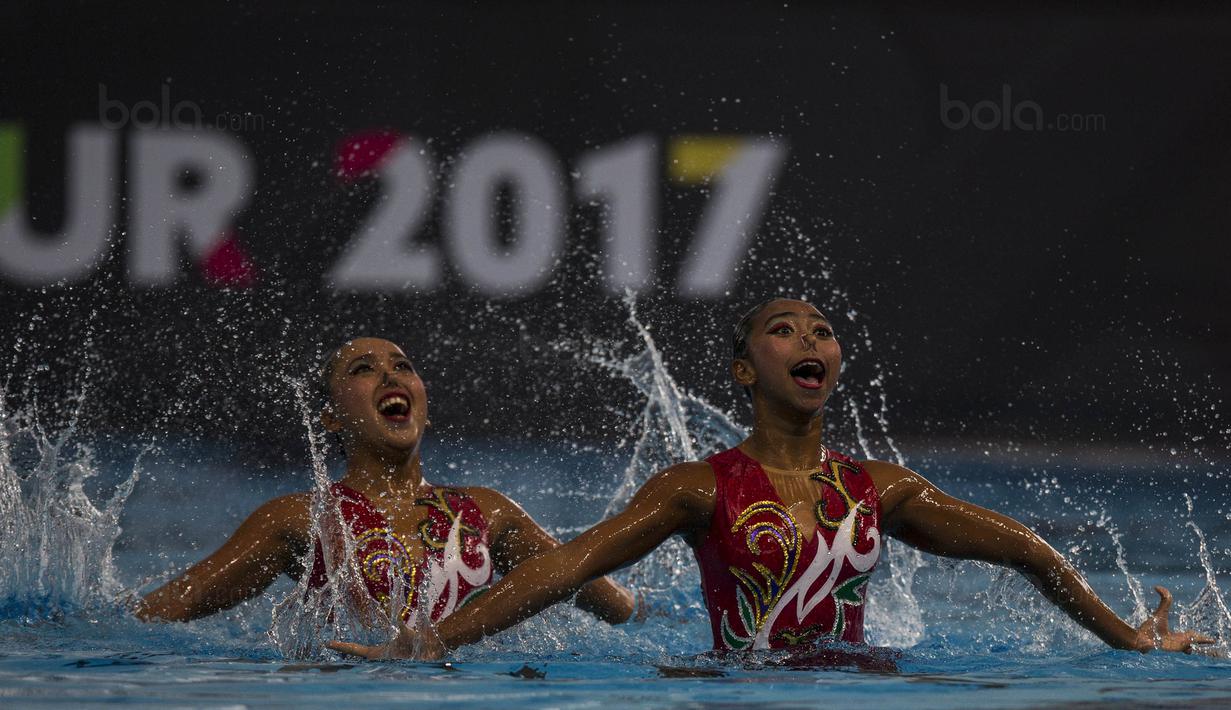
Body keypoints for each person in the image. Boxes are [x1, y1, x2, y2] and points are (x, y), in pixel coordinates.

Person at [329, 299, 1215, 660]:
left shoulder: (883, 490)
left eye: (820, 330)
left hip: (860, 683)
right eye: (783, 330)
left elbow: (1025, 550)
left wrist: (1126, 641)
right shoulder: (695, 489)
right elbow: (567, 567)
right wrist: (433, 641)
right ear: (744, 370)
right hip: (738, 688)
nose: (808, 340)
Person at [137, 337, 636, 629]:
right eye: (363, 369)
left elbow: (615, 606)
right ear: (331, 418)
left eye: (402, 367)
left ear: (423, 406)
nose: (390, 376)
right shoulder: (298, 520)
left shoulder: (489, 513)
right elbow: (161, 613)